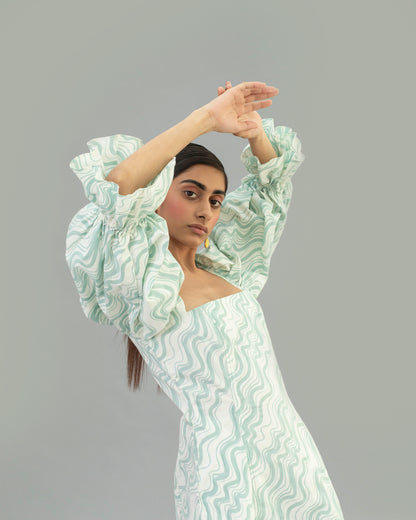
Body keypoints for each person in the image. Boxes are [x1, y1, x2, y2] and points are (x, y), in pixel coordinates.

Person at [65, 81, 344, 519]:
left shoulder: (229, 268)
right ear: (156, 194)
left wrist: (255, 134)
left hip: (289, 455)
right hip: (225, 466)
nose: (206, 211)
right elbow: (116, 190)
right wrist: (206, 119)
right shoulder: (144, 286)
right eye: (191, 193)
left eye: (215, 200)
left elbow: (271, 190)